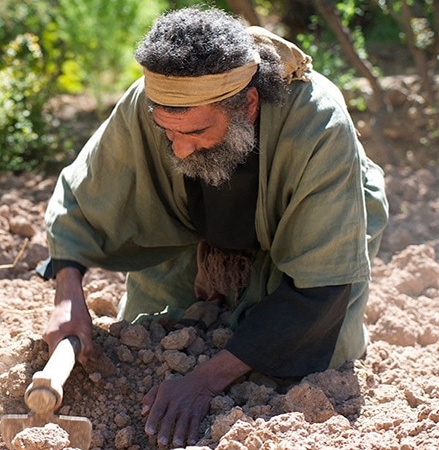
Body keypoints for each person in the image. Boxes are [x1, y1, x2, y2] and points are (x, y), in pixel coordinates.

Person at [37, 5, 389, 448]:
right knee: (152, 332)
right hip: (194, 230)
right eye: (168, 133)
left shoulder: (317, 124)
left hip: (309, 233)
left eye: (197, 131)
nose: (180, 151)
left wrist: (203, 382)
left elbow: (321, 287)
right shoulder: (152, 101)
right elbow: (84, 194)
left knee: (304, 362)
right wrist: (67, 292)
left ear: (248, 103)